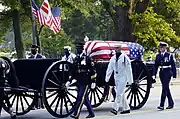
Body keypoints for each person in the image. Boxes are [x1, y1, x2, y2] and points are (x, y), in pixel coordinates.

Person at [67, 42, 96, 119]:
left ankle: (76, 114)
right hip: (79, 80)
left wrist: (93, 81)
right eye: (77, 49)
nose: (77, 50)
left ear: (82, 49)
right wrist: (69, 80)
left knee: (80, 97)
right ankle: (91, 113)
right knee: (85, 98)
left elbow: (93, 70)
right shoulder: (76, 58)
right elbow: (73, 70)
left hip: (86, 80)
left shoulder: (87, 58)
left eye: (79, 48)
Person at [105, 45, 133, 115]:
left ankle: (115, 108)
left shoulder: (124, 57)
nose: (116, 50)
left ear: (120, 49)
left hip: (123, 77)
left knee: (119, 93)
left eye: (118, 48)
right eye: (115, 48)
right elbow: (110, 68)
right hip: (116, 77)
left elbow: (129, 69)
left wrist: (130, 80)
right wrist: (107, 78)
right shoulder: (113, 58)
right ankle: (126, 108)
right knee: (121, 93)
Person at [152, 42, 176, 110]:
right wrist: (154, 74)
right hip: (162, 73)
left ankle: (161, 105)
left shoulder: (169, 55)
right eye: (160, 47)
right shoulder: (158, 56)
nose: (161, 49)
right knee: (166, 88)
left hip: (168, 72)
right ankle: (171, 103)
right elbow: (156, 66)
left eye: (162, 47)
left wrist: (174, 75)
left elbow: (173, 66)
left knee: (164, 89)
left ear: (165, 48)